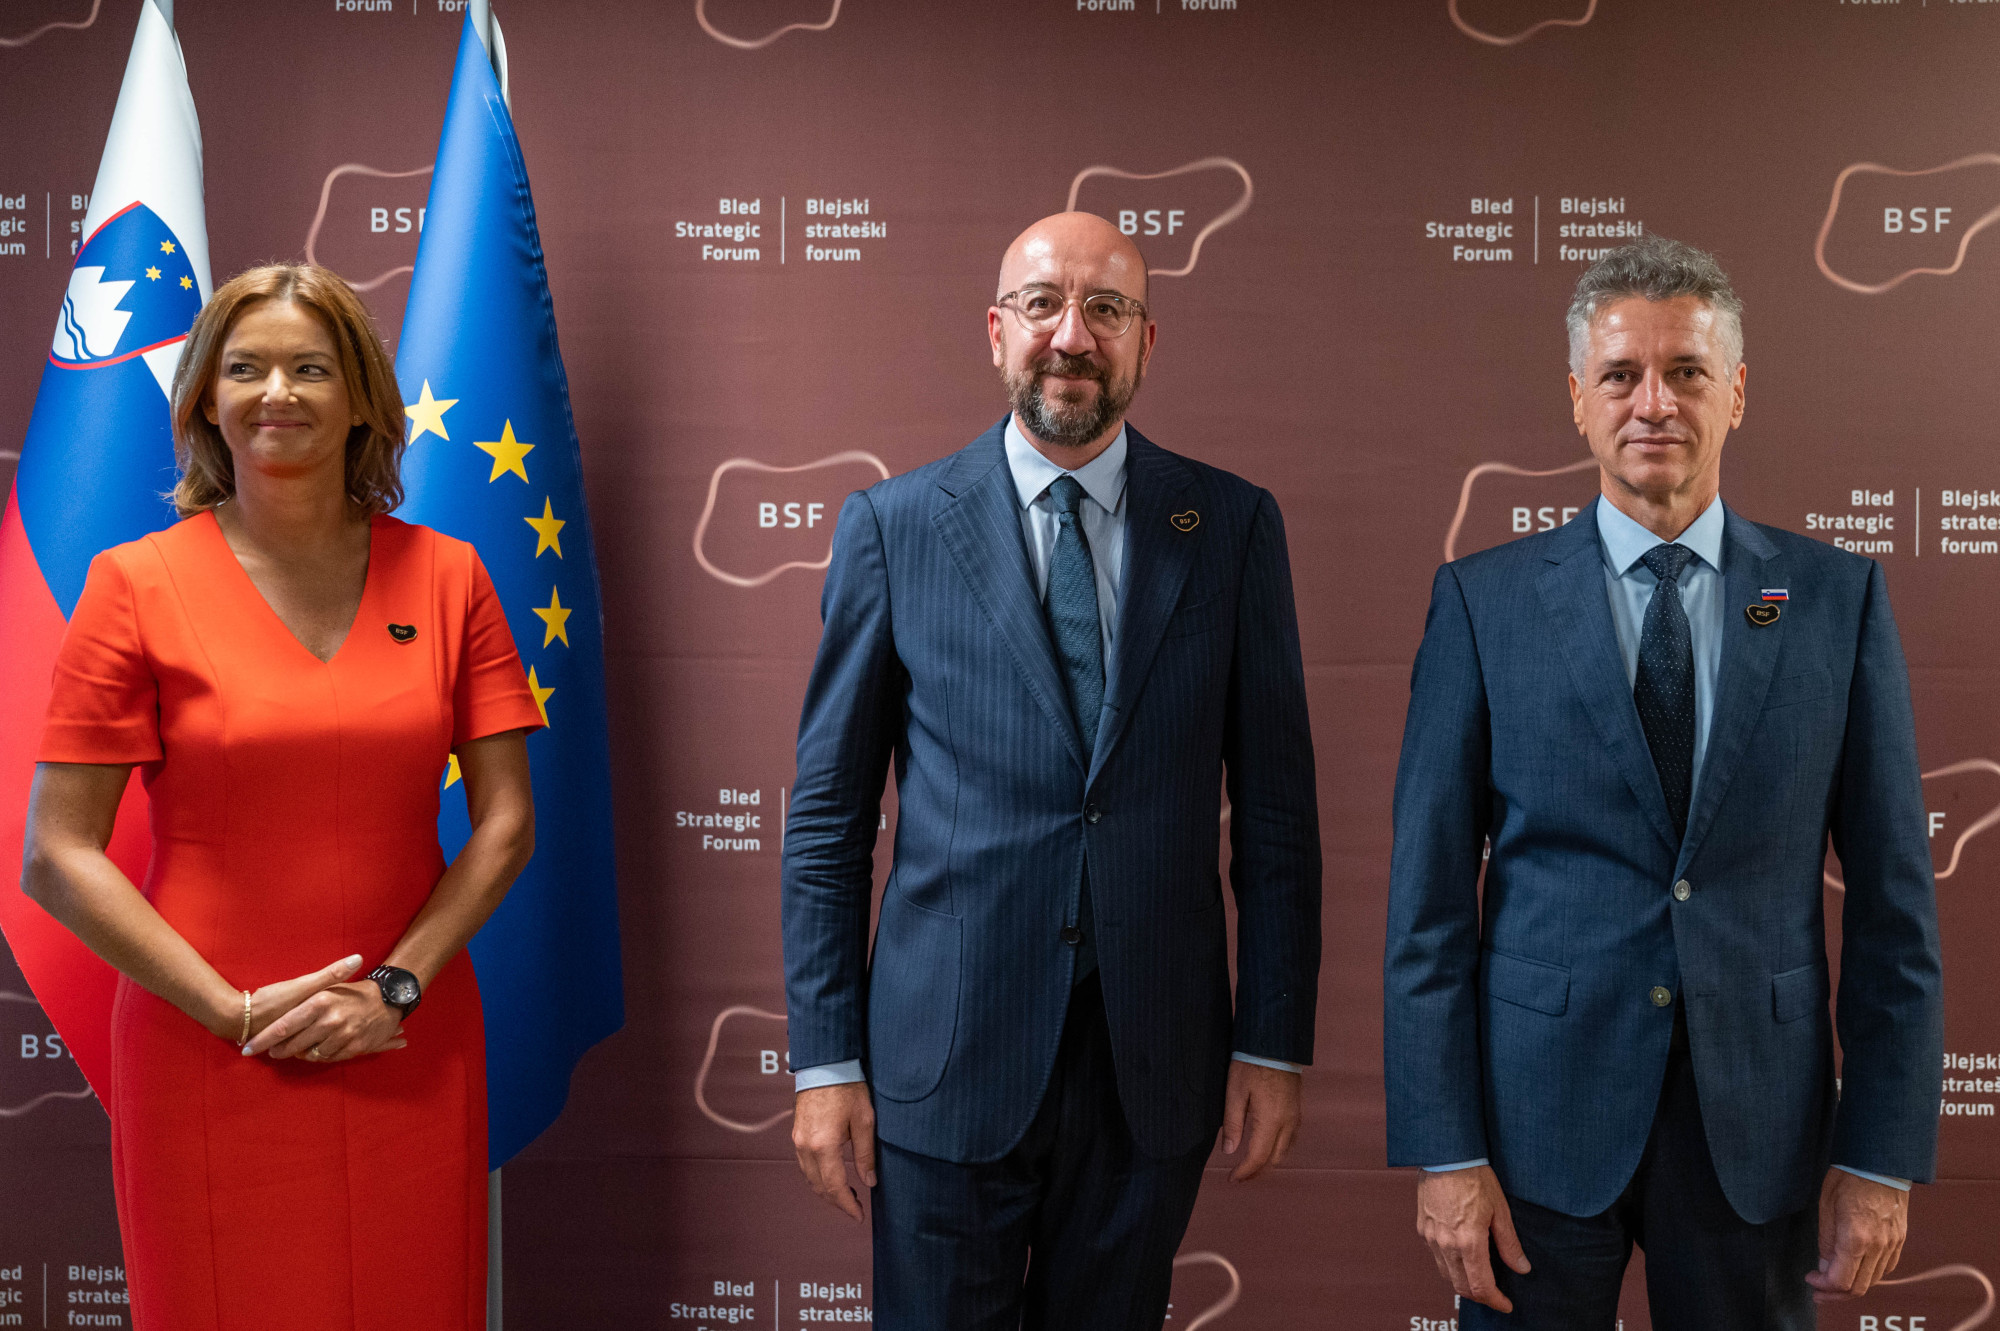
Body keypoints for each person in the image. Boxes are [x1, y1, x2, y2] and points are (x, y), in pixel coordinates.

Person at [1384, 236, 1944, 1328]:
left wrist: (1878, 1154)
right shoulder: (1481, 604)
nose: (1654, 403)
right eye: (1620, 375)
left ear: (1735, 392)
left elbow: (1895, 907)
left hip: (1758, 1131)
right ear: (1577, 400)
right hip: (1535, 1126)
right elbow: (1428, 907)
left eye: (1686, 371)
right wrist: (1443, 1148)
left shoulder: (1835, 602)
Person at [780, 211, 1322, 1329]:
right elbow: (828, 821)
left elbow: (1275, 819)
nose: (1072, 335)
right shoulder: (893, 526)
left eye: (1105, 309)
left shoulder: (1229, 526)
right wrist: (825, 1061)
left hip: (1151, 1063)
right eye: (1042, 304)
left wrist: (1271, 1040)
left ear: (1145, 341)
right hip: (943, 1058)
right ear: (997, 331)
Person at [20, 264, 546, 1331]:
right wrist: (235, 1011)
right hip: (205, 1042)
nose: (277, 393)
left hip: (404, 1032)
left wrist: (392, 988)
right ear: (204, 401)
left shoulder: (451, 576)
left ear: (361, 400)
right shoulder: (133, 583)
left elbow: (505, 823)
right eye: (245, 368)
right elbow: (55, 853)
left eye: (311, 368)